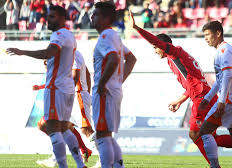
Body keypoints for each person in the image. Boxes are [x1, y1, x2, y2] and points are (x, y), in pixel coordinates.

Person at [128, 11, 232, 167]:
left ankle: (216, 166)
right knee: (210, 136)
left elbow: (214, 80)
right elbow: (193, 84)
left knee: (196, 133)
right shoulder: (175, 59)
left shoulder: (176, 53)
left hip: (203, 99)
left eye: (156, 48)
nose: (155, 51)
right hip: (205, 96)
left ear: (164, 46)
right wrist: (180, 100)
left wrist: (137, 28)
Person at [7, 5, 86, 168]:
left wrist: (22, 51)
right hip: (67, 87)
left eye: (52, 17)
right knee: (64, 129)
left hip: (56, 88)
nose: (48, 19)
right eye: (48, 16)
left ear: (63, 18)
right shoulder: (70, 35)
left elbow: (48, 53)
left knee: (52, 128)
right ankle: (80, 164)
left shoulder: (58, 35)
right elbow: (57, 58)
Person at [91, 2, 137, 168]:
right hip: (113, 89)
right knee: (107, 135)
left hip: (105, 91)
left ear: (106, 18)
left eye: (96, 14)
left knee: (102, 135)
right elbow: (131, 59)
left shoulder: (105, 37)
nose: (92, 17)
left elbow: (113, 59)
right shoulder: (114, 36)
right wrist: (118, 81)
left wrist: (102, 83)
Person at [199, 20, 232, 168]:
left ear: (218, 33)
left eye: (208, 34)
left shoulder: (223, 50)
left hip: (229, 99)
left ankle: (215, 167)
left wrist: (221, 101)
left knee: (204, 132)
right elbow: (220, 79)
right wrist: (208, 98)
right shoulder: (226, 49)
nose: (206, 38)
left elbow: (227, 76)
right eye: (204, 35)